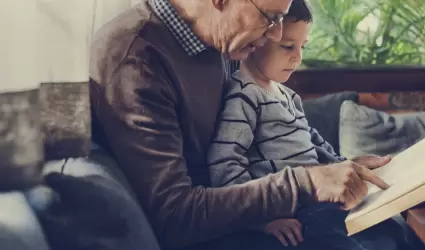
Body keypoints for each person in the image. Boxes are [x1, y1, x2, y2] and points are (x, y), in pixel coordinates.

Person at [89, 0, 409, 249]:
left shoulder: (222, 39)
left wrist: (342, 167)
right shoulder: (137, 60)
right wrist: (305, 183)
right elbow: (173, 217)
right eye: (269, 18)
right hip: (219, 235)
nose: (274, 34)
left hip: (257, 211)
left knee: (391, 225)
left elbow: (267, 126)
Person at [207, 1, 412, 249]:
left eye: (302, 47)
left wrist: (347, 164)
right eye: (287, 46)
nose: (298, 57)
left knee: (393, 225)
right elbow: (224, 163)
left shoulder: (287, 95)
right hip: (294, 210)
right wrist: (260, 220)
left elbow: (313, 140)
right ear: (259, 39)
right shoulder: (243, 96)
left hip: (319, 198)